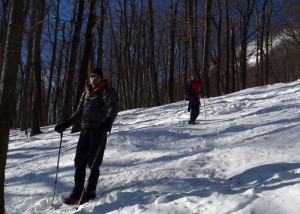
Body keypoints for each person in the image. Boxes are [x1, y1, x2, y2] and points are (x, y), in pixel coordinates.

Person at [54, 68, 119, 204]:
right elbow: (79, 113)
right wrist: (65, 124)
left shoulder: (105, 91)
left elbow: (113, 107)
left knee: (93, 162)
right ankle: (77, 191)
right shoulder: (86, 93)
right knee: (79, 162)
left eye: (96, 76)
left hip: (98, 130)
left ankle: (89, 192)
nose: (93, 78)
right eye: (91, 76)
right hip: (84, 131)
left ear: (101, 78)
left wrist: (107, 122)